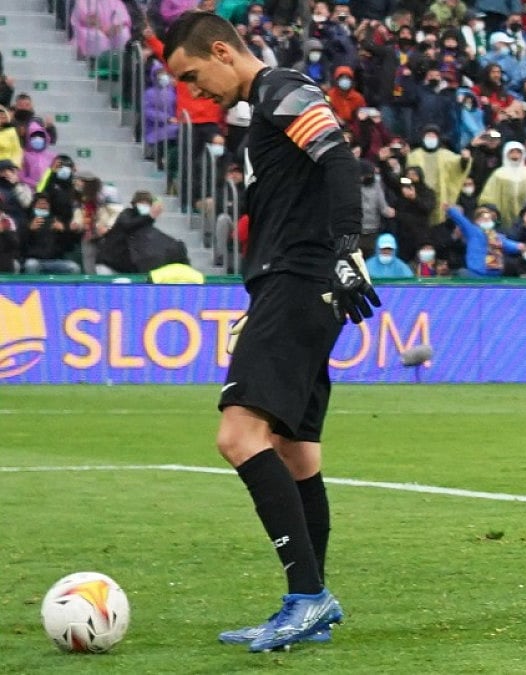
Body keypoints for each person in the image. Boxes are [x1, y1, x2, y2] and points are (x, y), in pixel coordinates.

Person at [162, 11, 380, 653]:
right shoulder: (266, 104)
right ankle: (310, 600)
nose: (194, 91)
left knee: (238, 435)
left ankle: (308, 599)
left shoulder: (282, 88)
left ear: (223, 51)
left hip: (301, 277)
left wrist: (347, 250)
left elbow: (341, 163)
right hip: (292, 281)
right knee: (294, 451)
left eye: (193, 75)